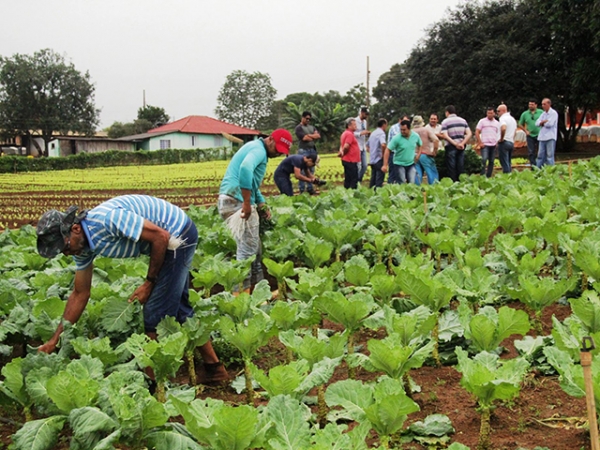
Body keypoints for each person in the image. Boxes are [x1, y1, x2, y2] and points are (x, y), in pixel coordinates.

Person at [35, 195, 229, 384]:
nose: (67, 253)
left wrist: (148, 283)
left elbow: (161, 236)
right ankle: (215, 369)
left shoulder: (107, 220)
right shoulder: (81, 247)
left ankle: (155, 384)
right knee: (179, 306)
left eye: (65, 247)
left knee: (154, 313)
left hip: (177, 235)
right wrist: (55, 339)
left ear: (75, 229)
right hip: (167, 238)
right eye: (62, 252)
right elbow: (80, 293)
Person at [218, 129, 292, 292]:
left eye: (282, 153)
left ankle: (260, 293)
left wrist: (260, 202)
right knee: (247, 254)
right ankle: (241, 297)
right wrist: (246, 202)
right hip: (237, 201)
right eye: (277, 150)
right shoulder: (258, 150)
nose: (278, 154)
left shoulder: (255, 147)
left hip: (230, 199)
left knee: (254, 249)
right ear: (270, 139)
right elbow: (245, 169)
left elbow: (251, 181)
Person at [383, 119, 422, 184]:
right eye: (401, 129)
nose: (402, 131)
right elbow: (387, 149)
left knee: (412, 182)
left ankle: (410, 194)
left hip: (411, 163)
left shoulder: (415, 136)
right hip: (399, 164)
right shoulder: (396, 138)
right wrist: (385, 165)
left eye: (404, 130)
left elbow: (420, 145)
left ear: (409, 129)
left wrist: (418, 155)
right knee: (402, 182)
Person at [441, 105, 472, 182]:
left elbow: (445, 135)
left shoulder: (445, 121)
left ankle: (454, 182)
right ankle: (461, 182)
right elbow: (469, 133)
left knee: (452, 167)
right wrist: (462, 143)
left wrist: (455, 144)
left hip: (451, 146)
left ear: (447, 112)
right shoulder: (463, 120)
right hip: (461, 146)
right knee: (460, 165)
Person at [294, 111, 320, 194]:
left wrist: (309, 135)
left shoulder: (312, 127)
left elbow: (318, 136)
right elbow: (304, 139)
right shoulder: (298, 128)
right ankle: (302, 190)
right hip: (303, 150)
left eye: (309, 119)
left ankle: (310, 188)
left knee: (311, 170)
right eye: (307, 118)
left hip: (312, 150)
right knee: (302, 171)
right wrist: (313, 136)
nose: (308, 120)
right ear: (302, 118)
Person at [412, 115, 439, 185]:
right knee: (432, 174)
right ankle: (434, 190)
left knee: (417, 175)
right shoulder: (426, 130)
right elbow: (436, 140)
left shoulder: (411, 132)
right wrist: (434, 152)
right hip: (425, 154)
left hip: (415, 155)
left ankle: (416, 192)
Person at [475, 107, 500, 178]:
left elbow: (499, 133)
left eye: (491, 113)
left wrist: (497, 142)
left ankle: (489, 175)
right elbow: (477, 131)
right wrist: (480, 142)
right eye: (488, 113)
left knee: (491, 161)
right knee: (484, 159)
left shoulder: (497, 123)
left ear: (494, 113)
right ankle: (483, 175)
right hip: (485, 144)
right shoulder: (482, 121)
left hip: (493, 144)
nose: (489, 114)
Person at [518, 99, 543, 168]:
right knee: (531, 151)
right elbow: (520, 124)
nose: (530, 106)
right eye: (529, 104)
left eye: (532, 104)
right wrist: (525, 131)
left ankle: (540, 165)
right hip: (530, 135)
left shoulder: (541, 112)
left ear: (536, 105)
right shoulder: (525, 114)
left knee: (540, 151)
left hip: (540, 135)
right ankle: (533, 165)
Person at [535, 98, 559, 167]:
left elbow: (550, 124)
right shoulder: (543, 114)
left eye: (544, 104)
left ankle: (550, 170)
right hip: (542, 137)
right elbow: (537, 123)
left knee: (550, 155)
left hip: (550, 137)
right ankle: (538, 169)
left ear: (549, 104)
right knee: (540, 155)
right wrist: (543, 122)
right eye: (542, 104)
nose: (543, 106)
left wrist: (542, 123)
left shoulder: (553, 113)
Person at [387, 114, 410, 184]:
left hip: (404, 155)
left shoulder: (409, 129)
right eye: (405, 121)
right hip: (394, 154)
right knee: (392, 173)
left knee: (402, 174)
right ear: (400, 120)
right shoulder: (394, 128)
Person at [338, 118, 361, 189]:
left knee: (348, 178)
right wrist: (344, 153)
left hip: (347, 160)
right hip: (350, 160)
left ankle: (347, 192)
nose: (356, 126)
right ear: (349, 126)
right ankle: (352, 194)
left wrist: (342, 153)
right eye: (354, 124)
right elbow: (346, 146)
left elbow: (341, 146)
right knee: (353, 179)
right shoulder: (349, 134)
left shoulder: (344, 133)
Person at [366, 118, 388, 188]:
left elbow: (367, 145)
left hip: (372, 159)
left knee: (373, 178)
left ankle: (371, 193)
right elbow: (383, 144)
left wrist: (372, 151)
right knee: (379, 179)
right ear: (384, 125)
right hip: (379, 159)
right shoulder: (381, 133)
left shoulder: (373, 133)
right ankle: (377, 194)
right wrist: (383, 154)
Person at [497, 104, 517, 173]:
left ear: (503, 110)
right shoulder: (512, 119)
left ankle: (506, 177)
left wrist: (501, 138)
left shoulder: (503, 118)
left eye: (498, 111)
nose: (497, 113)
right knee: (508, 162)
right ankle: (510, 177)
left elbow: (503, 128)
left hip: (504, 142)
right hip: (511, 142)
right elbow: (515, 131)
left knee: (504, 163)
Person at [354, 107, 371, 183]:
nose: (366, 116)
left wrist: (367, 134)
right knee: (358, 166)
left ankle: (358, 179)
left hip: (363, 146)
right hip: (357, 146)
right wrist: (360, 133)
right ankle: (356, 182)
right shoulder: (354, 121)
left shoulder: (365, 122)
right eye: (366, 114)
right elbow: (351, 133)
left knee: (365, 165)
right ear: (361, 112)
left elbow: (364, 134)